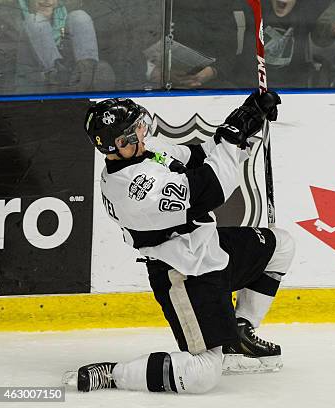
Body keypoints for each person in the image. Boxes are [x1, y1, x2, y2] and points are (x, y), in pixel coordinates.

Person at [73, 90, 295, 394]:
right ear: (120, 144)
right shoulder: (135, 191)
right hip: (184, 273)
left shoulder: (147, 150)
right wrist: (233, 138)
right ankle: (115, 374)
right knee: (203, 374)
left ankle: (239, 333)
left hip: (209, 247)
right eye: (135, 129)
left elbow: (200, 155)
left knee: (280, 246)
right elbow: (213, 189)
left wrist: (246, 119)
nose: (143, 129)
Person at [14, 0, 114, 93]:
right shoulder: (13, 19)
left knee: (79, 17)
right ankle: (55, 74)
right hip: (36, 93)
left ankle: (89, 70)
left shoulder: (65, 20)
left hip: (75, 86)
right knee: (35, 20)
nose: (47, 0)